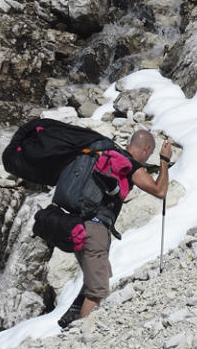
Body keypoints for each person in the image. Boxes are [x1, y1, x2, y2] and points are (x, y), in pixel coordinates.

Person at [58, 130, 172, 328]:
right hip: (96, 229)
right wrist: (164, 160)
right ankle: (80, 334)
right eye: (149, 153)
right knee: (99, 288)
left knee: (99, 274)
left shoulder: (108, 155)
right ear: (146, 149)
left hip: (76, 223)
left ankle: (73, 316)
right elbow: (160, 191)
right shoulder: (129, 165)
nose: (147, 158)